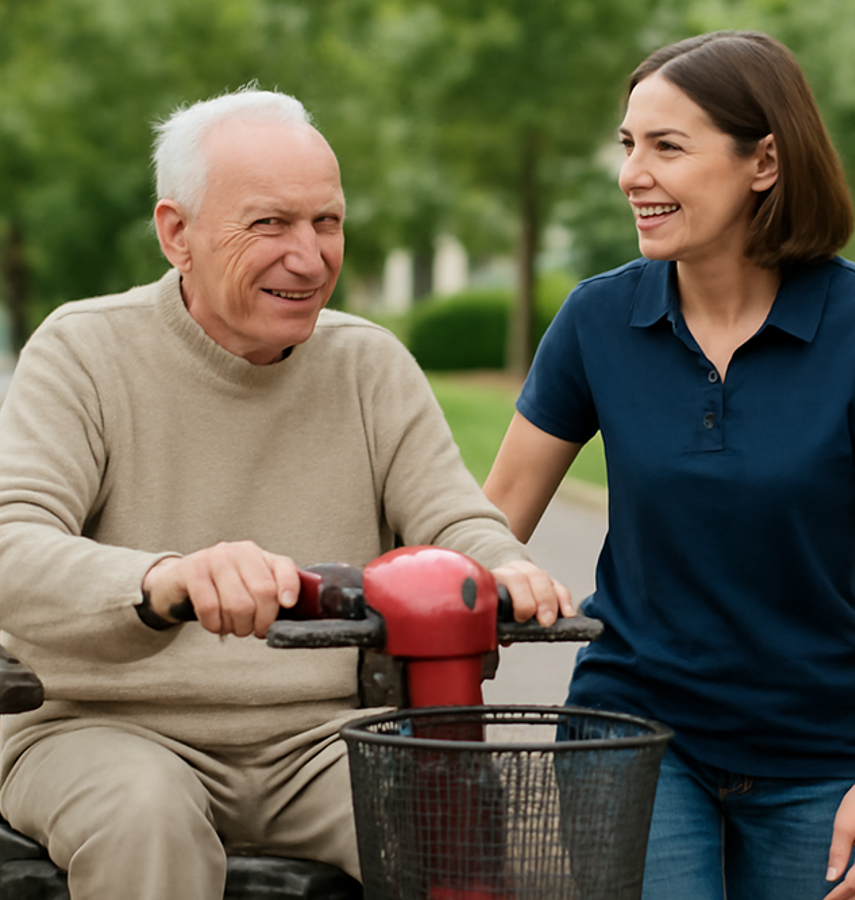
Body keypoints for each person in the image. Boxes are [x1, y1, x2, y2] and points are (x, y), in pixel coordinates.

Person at [0, 86, 572, 900]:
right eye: (269, 224)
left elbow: (452, 517)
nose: (307, 258)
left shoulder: (368, 363)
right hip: (102, 729)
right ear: (177, 234)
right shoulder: (83, 351)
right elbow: (12, 546)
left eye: (326, 222)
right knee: (145, 819)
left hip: (320, 739)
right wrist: (166, 579)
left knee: (470, 830)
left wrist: (500, 566)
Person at [483, 30, 855, 900]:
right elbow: (490, 516)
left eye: (666, 147)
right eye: (626, 145)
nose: (630, 175)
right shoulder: (597, 320)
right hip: (634, 733)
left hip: (824, 752)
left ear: (762, 160)